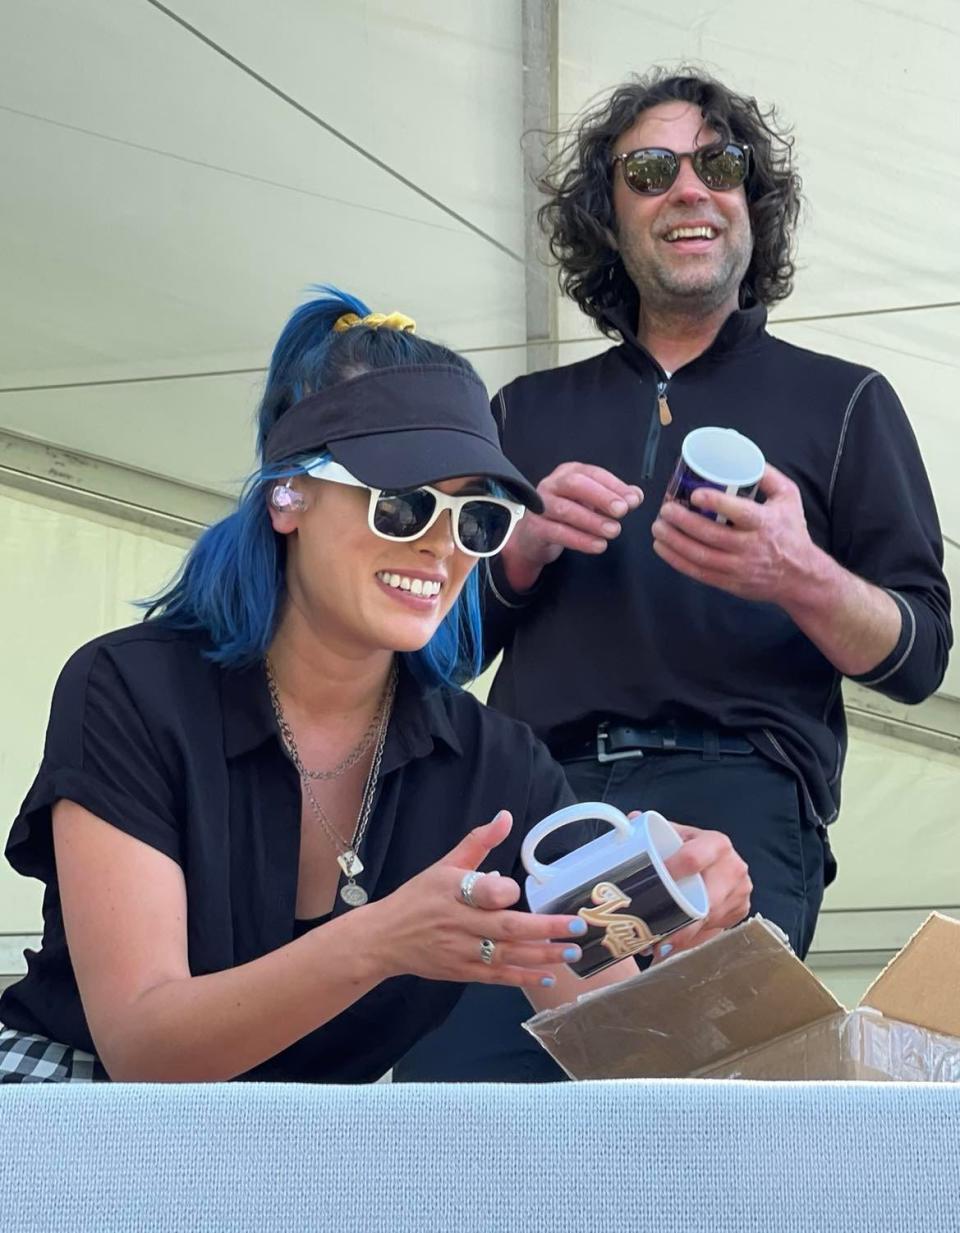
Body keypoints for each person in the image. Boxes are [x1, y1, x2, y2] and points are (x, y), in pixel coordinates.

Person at [0, 288, 750, 1083]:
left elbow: (618, 1046)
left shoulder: (497, 765)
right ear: (288, 497)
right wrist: (381, 940)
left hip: (315, 1148)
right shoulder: (130, 690)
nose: (440, 547)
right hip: (78, 1111)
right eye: (401, 504)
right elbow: (144, 1048)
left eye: (477, 519)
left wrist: (674, 918)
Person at [394, 69, 950, 1082]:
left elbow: (920, 655)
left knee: (660, 1099)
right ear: (609, 217)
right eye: (649, 171)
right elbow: (427, 649)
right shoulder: (524, 410)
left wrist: (801, 575)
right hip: (531, 794)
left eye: (719, 164)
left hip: (730, 793)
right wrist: (517, 554)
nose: (688, 188)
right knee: (460, 1094)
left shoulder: (847, 402)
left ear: (752, 203)